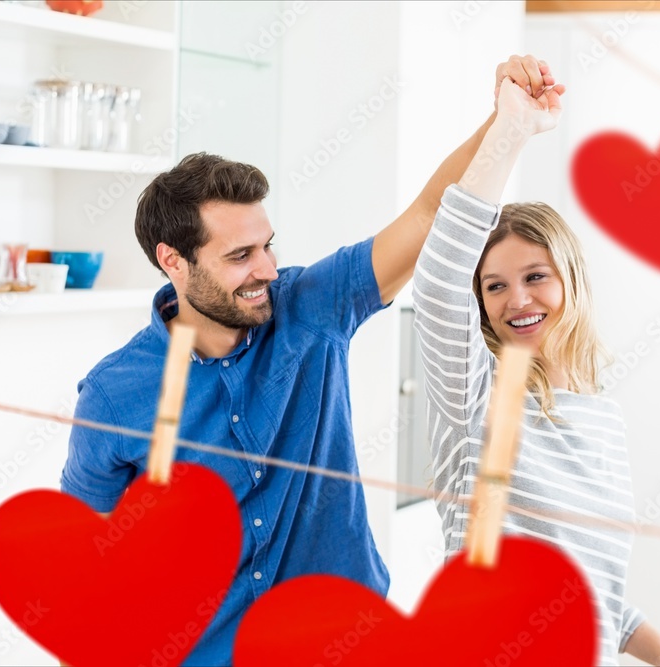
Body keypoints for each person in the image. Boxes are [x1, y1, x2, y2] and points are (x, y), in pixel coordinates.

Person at [59, 56, 559, 667]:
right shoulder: (115, 394)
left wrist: (507, 123)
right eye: (241, 255)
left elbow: (432, 214)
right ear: (173, 261)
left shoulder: (308, 307)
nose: (267, 269)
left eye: (268, 245)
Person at [412, 77, 660, 665]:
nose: (517, 300)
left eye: (535, 276)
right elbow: (438, 284)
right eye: (495, 286)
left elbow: (598, 589)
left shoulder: (603, 420)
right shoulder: (478, 398)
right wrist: (508, 133)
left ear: (571, 278)